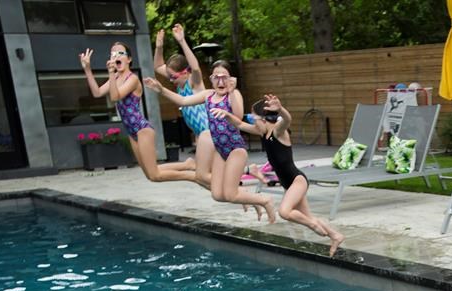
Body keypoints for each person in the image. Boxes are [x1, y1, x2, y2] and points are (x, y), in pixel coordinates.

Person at [144, 62, 276, 222]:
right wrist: (161, 90)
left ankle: (265, 201)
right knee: (218, 195)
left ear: (231, 79)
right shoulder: (207, 95)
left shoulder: (234, 95)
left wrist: (232, 93)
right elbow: (183, 101)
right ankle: (250, 196)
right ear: (211, 79)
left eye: (224, 77)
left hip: (235, 149)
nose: (220, 82)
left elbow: (238, 114)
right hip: (220, 150)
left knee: (230, 194)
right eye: (216, 77)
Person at [239, 94, 345, 255]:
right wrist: (224, 115)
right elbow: (238, 123)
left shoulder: (278, 132)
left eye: (252, 117)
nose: (251, 121)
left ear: (262, 118)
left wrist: (280, 109)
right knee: (306, 215)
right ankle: (335, 235)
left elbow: (287, 120)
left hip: (297, 180)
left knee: (285, 212)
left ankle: (313, 225)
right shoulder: (263, 133)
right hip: (288, 183)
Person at [79, 43, 195, 184]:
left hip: (142, 129)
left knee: (155, 175)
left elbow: (115, 97)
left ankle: (192, 177)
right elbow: (97, 93)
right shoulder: (114, 78)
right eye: (113, 53)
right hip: (132, 132)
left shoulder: (132, 79)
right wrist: (87, 69)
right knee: (150, 174)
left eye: (120, 53)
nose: (116, 56)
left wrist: (110, 73)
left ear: (129, 59)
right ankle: (187, 165)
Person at [152, 24, 213, 188]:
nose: (170, 80)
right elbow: (158, 66)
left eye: (172, 77)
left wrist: (182, 41)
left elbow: (195, 67)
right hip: (200, 135)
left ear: (184, 72)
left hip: (211, 133)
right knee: (205, 177)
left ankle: (241, 183)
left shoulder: (194, 83)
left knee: (207, 175)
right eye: (169, 77)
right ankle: (231, 190)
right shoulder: (179, 83)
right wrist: (159, 47)